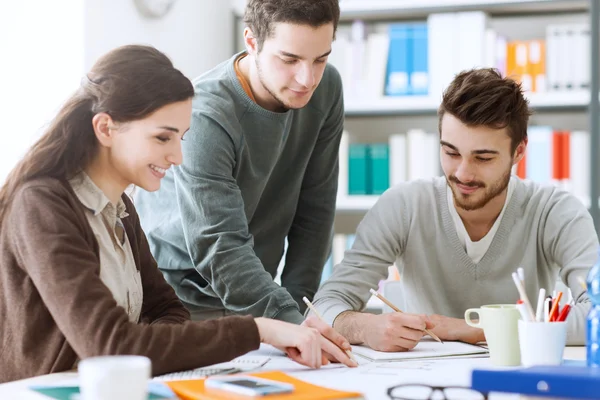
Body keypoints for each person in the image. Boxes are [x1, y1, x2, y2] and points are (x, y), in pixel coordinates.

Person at [0, 45, 354, 383]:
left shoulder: (121, 210)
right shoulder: (41, 206)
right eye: (162, 138)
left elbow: (169, 312)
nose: (177, 157)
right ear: (106, 128)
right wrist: (259, 328)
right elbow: (110, 345)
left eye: (180, 138)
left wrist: (141, 344)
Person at [311, 68, 597, 351]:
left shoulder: (556, 212)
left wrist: (473, 329)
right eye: (450, 152)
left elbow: (597, 313)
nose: (463, 173)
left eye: (483, 158)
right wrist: (367, 326)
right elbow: (323, 305)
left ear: (519, 152)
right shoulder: (403, 206)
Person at [135, 0, 344, 324]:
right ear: (251, 42)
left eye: (321, 58)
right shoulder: (205, 115)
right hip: (175, 298)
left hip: (255, 287)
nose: (307, 79)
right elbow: (219, 244)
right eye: (289, 59)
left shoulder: (327, 88)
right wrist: (288, 322)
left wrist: (301, 312)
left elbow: (316, 208)